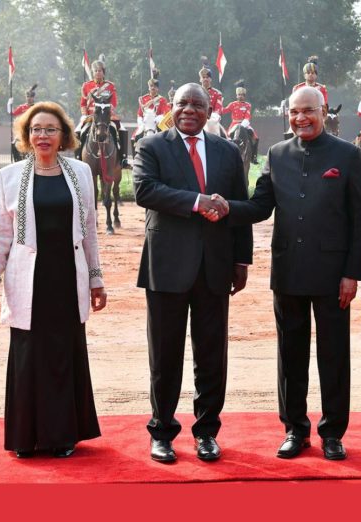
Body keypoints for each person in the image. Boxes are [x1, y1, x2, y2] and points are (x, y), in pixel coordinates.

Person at [223, 86, 361, 461]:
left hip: (334, 274)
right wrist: (225, 208)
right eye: (294, 112)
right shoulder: (277, 154)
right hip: (288, 271)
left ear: (323, 112)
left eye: (308, 111)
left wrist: (352, 273)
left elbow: (359, 222)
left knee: (333, 355)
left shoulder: (347, 155)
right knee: (291, 354)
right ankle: (294, 429)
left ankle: (333, 433)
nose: (301, 118)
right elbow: (259, 206)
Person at [132, 83, 253, 464]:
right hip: (166, 266)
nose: (189, 110)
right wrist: (197, 202)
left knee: (211, 356)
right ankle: (162, 431)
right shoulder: (152, 146)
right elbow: (144, 190)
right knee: (165, 355)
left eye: (197, 104)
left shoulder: (227, 151)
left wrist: (241, 261)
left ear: (209, 110)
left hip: (215, 267)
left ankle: (206, 432)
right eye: (182, 103)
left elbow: (239, 207)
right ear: (172, 108)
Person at [0, 101, 107, 458]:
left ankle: (62, 435)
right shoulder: (9, 177)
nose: (43, 135)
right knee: (28, 357)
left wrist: (97, 280)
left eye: (50, 129)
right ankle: (26, 437)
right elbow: (1, 236)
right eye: (36, 129)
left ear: (63, 135)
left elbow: (91, 232)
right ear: (26, 135)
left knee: (63, 355)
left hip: (68, 278)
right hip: (27, 281)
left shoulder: (80, 173)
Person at [75, 56, 129, 168]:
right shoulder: (86, 86)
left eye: (100, 71)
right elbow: (83, 103)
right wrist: (85, 114)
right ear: (92, 72)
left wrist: (108, 112)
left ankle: (123, 158)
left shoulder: (110, 86)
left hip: (106, 116)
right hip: (91, 115)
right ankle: (78, 157)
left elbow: (113, 102)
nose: (98, 73)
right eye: (95, 71)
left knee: (122, 129)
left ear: (103, 72)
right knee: (78, 131)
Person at [222, 80, 259, 164]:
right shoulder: (233, 104)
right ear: (236, 95)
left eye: (242, 95)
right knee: (226, 137)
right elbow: (223, 111)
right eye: (239, 95)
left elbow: (248, 116)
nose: (240, 96)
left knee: (255, 138)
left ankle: (254, 156)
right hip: (234, 124)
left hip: (244, 124)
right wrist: (221, 103)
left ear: (245, 96)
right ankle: (226, 155)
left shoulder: (247, 105)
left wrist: (242, 125)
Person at [133, 76, 170, 143]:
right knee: (135, 136)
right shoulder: (143, 99)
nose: (153, 88)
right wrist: (141, 122)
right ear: (149, 87)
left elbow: (165, 113)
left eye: (155, 86)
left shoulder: (162, 99)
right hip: (145, 123)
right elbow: (139, 114)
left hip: (157, 123)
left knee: (167, 138)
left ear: (157, 88)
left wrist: (158, 118)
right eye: (151, 86)